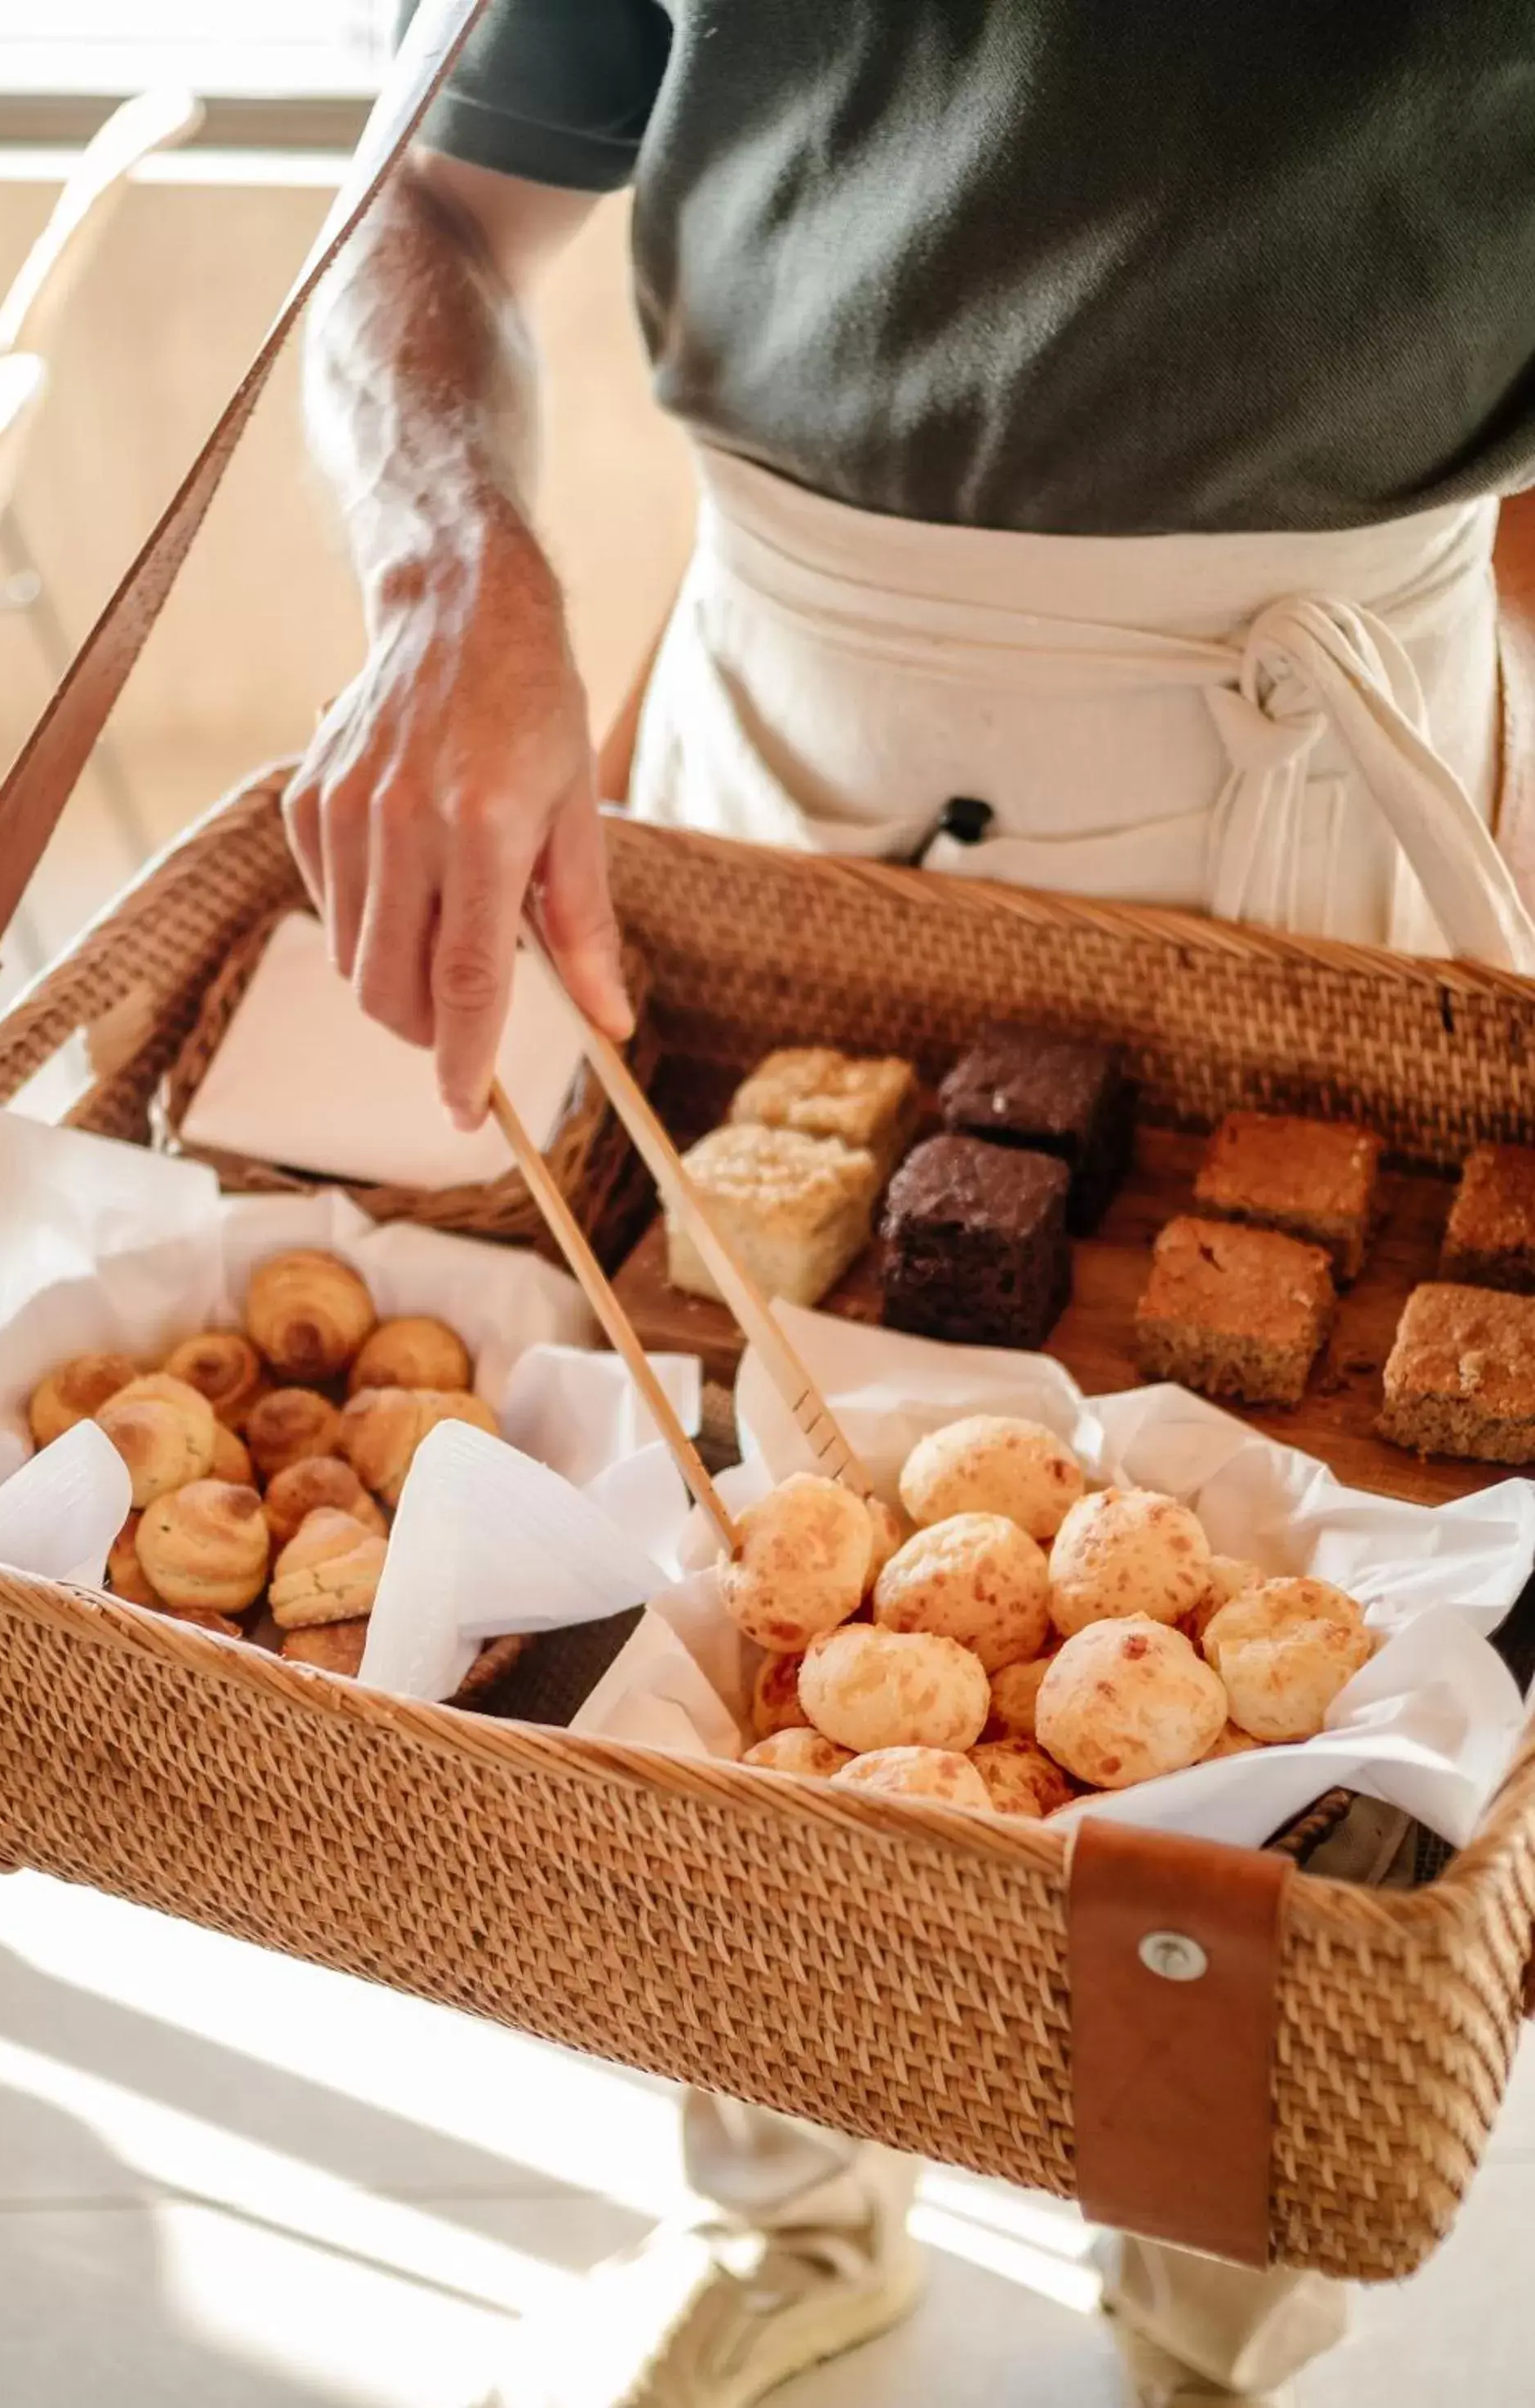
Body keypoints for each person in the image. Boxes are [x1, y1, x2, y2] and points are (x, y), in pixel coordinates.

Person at [288, 9, 1535, 2402]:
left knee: (1296, 1612)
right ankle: (791, 2221)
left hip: (1327, 726)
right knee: (737, 1530)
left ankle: (1212, 2304)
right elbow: (426, 211)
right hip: (787, 721)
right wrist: (453, 554)